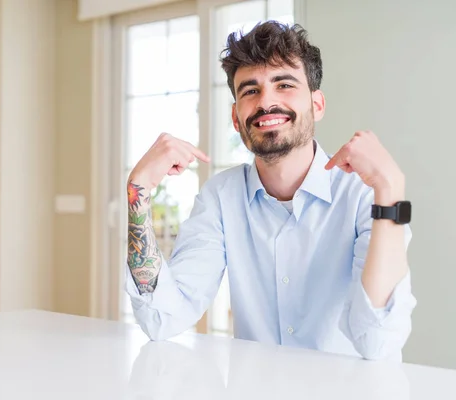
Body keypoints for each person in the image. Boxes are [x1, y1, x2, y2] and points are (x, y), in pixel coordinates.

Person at [125, 21, 416, 361]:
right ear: (236, 119)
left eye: (284, 84)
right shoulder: (220, 197)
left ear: (317, 105)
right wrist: (138, 191)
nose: (267, 102)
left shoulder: (366, 195)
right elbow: (161, 319)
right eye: (250, 90)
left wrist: (391, 191)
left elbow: (378, 342)